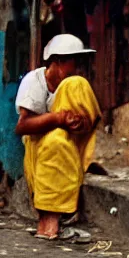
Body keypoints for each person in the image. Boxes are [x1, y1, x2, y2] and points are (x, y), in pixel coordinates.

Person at [15, 34, 100, 240]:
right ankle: (49, 219)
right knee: (56, 141)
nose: (78, 69)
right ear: (59, 61)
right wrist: (59, 118)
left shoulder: (73, 84)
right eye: (74, 63)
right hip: (39, 148)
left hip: (72, 145)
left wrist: (78, 122)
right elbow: (22, 126)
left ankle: (61, 214)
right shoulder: (34, 81)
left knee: (77, 87)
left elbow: (92, 119)